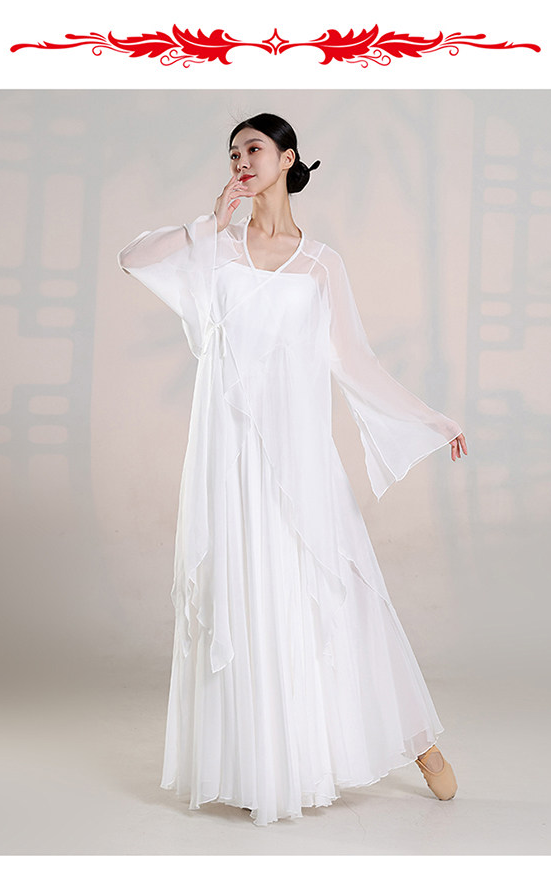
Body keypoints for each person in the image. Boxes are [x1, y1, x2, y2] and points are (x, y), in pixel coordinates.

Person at [117, 112, 468, 827]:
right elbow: (134, 258)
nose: (241, 161)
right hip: (228, 457)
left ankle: (417, 741)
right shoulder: (214, 248)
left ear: (288, 158)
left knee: (339, 586)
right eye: (232, 153)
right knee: (244, 592)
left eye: (254, 149)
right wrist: (207, 223)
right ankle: (263, 763)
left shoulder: (321, 263)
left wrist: (432, 418)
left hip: (298, 451)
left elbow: (355, 361)